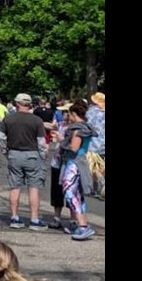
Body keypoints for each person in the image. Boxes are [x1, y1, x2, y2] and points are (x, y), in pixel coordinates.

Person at [0, 93, 47, 230]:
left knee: (15, 187)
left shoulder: (8, 119)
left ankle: (14, 217)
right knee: (34, 187)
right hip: (32, 154)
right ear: (29, 104)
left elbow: (0, 137)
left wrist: (5, 151)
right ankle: (34, 219)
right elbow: (41, 142)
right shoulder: (37, 120)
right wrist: (42, 156)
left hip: (14, 153)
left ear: (17, 103)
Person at [57, 102, 97, 240]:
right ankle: (81, 223)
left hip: (74, 163)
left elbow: (73, 147)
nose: (68, 116)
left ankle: (83, 225)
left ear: (74, 114)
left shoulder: (77, 129)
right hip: (81, 162)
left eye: (70, 114)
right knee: (78, 195)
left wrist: (61, 140)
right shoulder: (87, 127)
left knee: (69, 193)